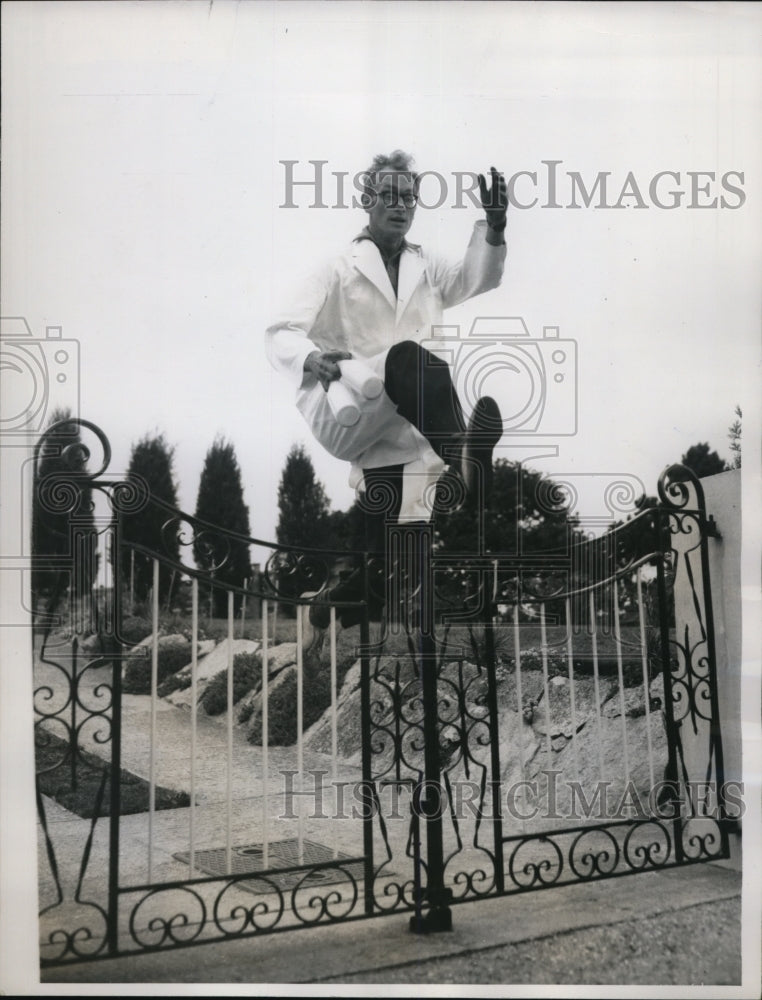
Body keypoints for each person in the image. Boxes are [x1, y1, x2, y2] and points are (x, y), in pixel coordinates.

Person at [266, 150, 508, 633]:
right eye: (389, 196)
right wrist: (312, 358)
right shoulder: (336, 268)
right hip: (353, 402)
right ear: (367, 200)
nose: (400, 206)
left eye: (408, 197)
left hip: (407, 427)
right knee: (408, 356)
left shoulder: (426, 266)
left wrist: (495, 228)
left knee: (397, 546)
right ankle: (463, 450)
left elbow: (474, 279)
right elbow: (280, 331)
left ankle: (349, 604)